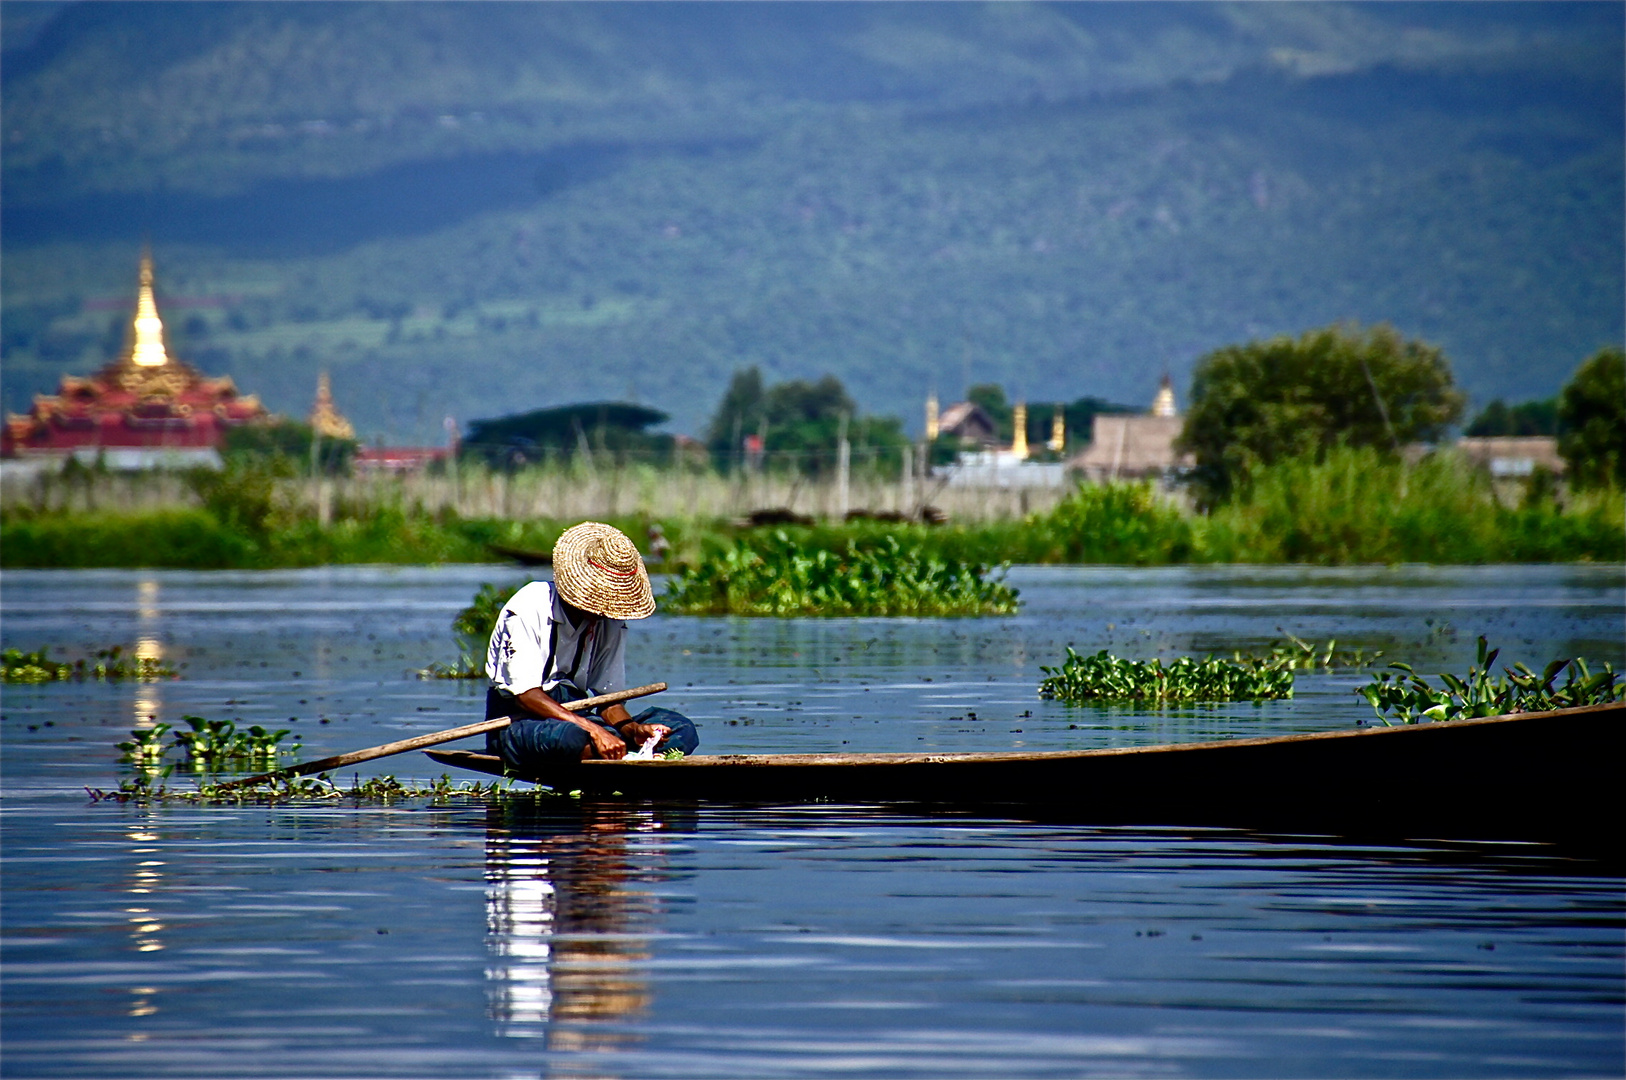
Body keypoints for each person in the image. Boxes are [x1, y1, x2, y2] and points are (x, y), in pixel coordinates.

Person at [484, 521, 699, 775]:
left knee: (680, 729)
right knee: (571, 740)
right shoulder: (530, 605)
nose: (604, 611)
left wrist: (633, 730)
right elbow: (526, 696)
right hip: (522, 722)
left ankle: (630, 753)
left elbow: (609, 700)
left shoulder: (610, 620)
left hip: (581, 718)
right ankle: (623, 756)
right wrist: (594, 730)